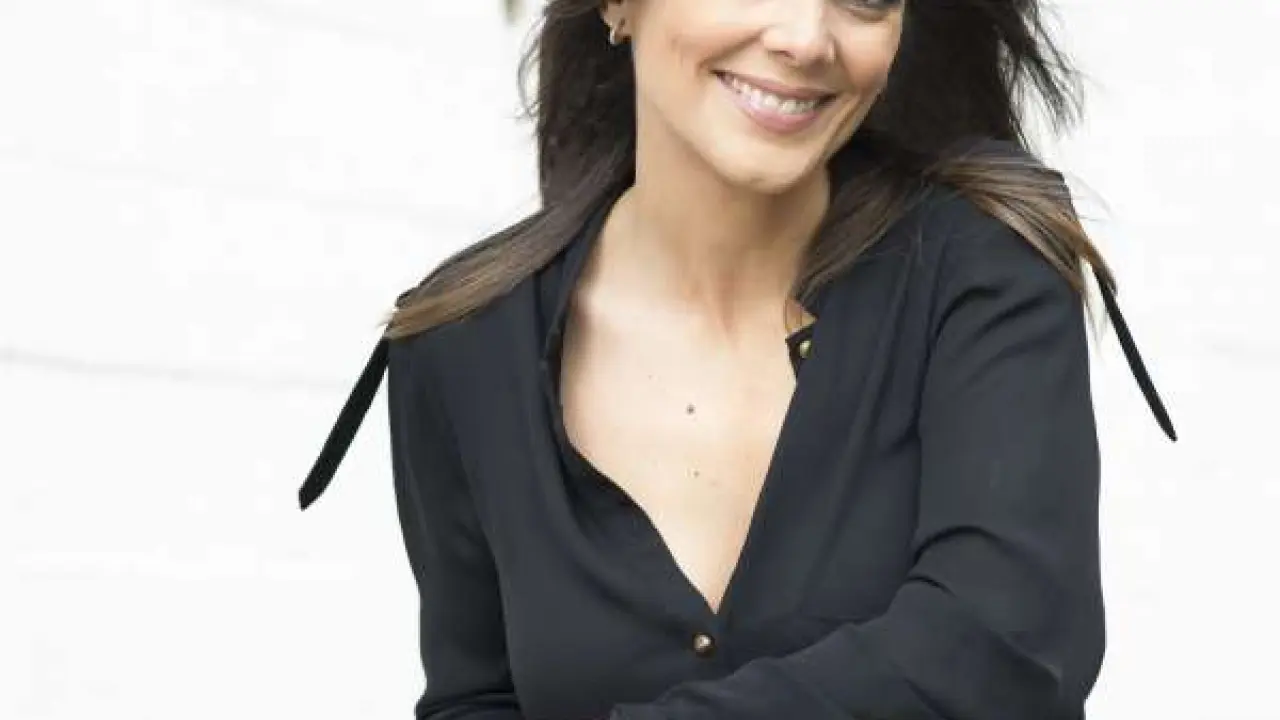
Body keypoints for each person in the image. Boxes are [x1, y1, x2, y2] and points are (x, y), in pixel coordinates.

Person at [298, 1, 1177, 718]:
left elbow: (1006, 648)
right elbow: (476, 697)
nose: (805, 37)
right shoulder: (462, 341)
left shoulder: (982, 269)